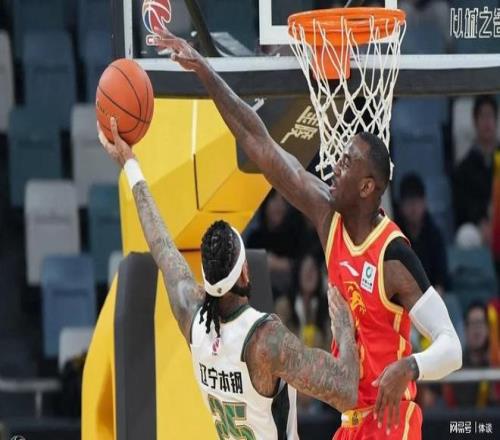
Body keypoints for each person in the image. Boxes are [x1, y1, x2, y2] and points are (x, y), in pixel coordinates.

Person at [156, 29, 463, 439]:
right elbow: (259, 143)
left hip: (391, 421)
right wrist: (204, 71)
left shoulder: (393, 256)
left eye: (346, 162)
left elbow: (452, 347)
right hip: (349, 422)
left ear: (367, 186)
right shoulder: (326, 216)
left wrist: (411, 366)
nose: (335, 164)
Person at [97, 117, 360, 439]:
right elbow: (347, 391)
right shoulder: (266, 341)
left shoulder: (191, 315)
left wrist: (130, 165)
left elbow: (161, 245)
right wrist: (344, 328)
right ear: (245, 270)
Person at [397, 173, 449, 293]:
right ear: (401, 206)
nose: (413, 209)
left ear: (424, 202)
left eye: (416, 202)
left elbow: (441, 279)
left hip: (431, 294)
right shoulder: (394, 236)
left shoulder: (434, 234)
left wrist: (433, 299)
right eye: (408, 203)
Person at [453, 95, 499, 228]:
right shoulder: (464, 168)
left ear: (496, 121)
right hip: (477, 228)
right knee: (466, 235)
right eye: (482, 116)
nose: (487, 122)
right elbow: (463, 206)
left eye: (490, 116)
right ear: (475, 122)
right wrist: (481, 221)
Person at [444, 302, 499, 407]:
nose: (477, 330)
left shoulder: (496, 364)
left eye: (480, 323)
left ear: (488, 328)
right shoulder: (455, 366)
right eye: (473, 324)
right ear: (465, 329)